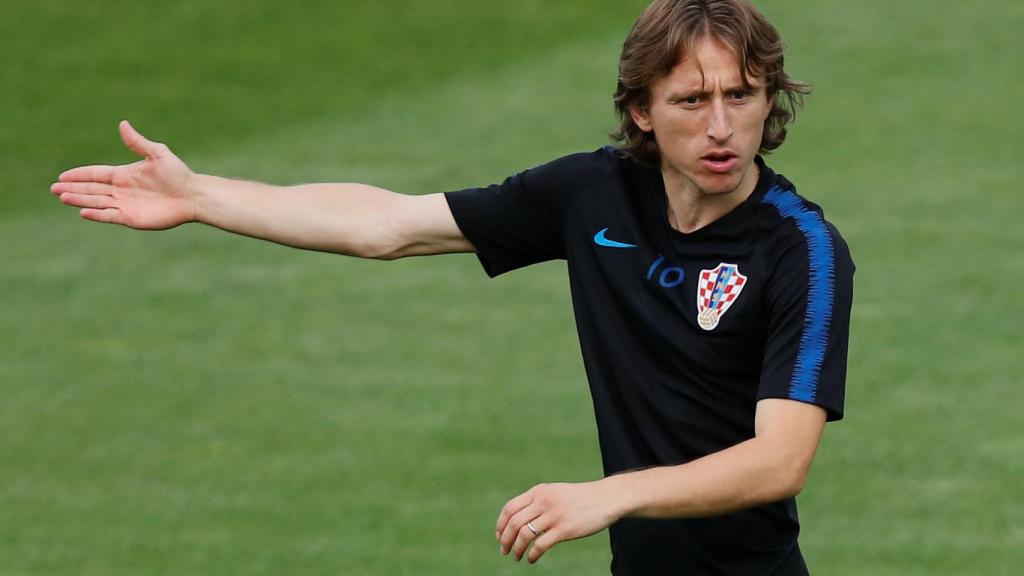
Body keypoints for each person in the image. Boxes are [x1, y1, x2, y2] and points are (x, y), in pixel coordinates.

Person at [51, 0, 854, 574]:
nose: (720, 126)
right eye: (691, 100)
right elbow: (388, 225)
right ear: (642, 111)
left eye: (741, 96)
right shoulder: (593, 196)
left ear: (768, 100)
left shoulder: (803, 252)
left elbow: (779, 461)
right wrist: (202, 196)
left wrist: (611, 496)